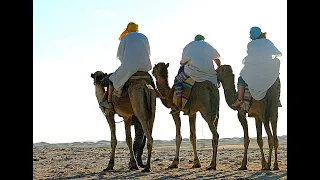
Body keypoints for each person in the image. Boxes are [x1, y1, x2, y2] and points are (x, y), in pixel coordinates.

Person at [100, 22, 152, 109]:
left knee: (112, 80)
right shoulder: (144, 37)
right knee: (151, 81)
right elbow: (148, 52)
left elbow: (120, 55)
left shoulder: (125, 37)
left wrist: (125, 62)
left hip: (129, 67)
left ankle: (108, 102)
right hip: (145, 66)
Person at [231, 26, 282, 109]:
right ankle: (277, 100)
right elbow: (276, 54)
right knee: (276, 79)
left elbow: (252, 56)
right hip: (268, 69)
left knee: (241, 78)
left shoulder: (251, 44)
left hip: (255, 69)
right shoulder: (268, 42)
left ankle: (240, 99)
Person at [170, 34, 221, 114]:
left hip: (193, 73)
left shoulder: (189, 46)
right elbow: (217, 60)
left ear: (195, 40)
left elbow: (182, 63)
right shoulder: (208, 46)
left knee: (177, 80)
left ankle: (179, 104)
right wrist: (218, 67)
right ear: (203, 40)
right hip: (209, 74)